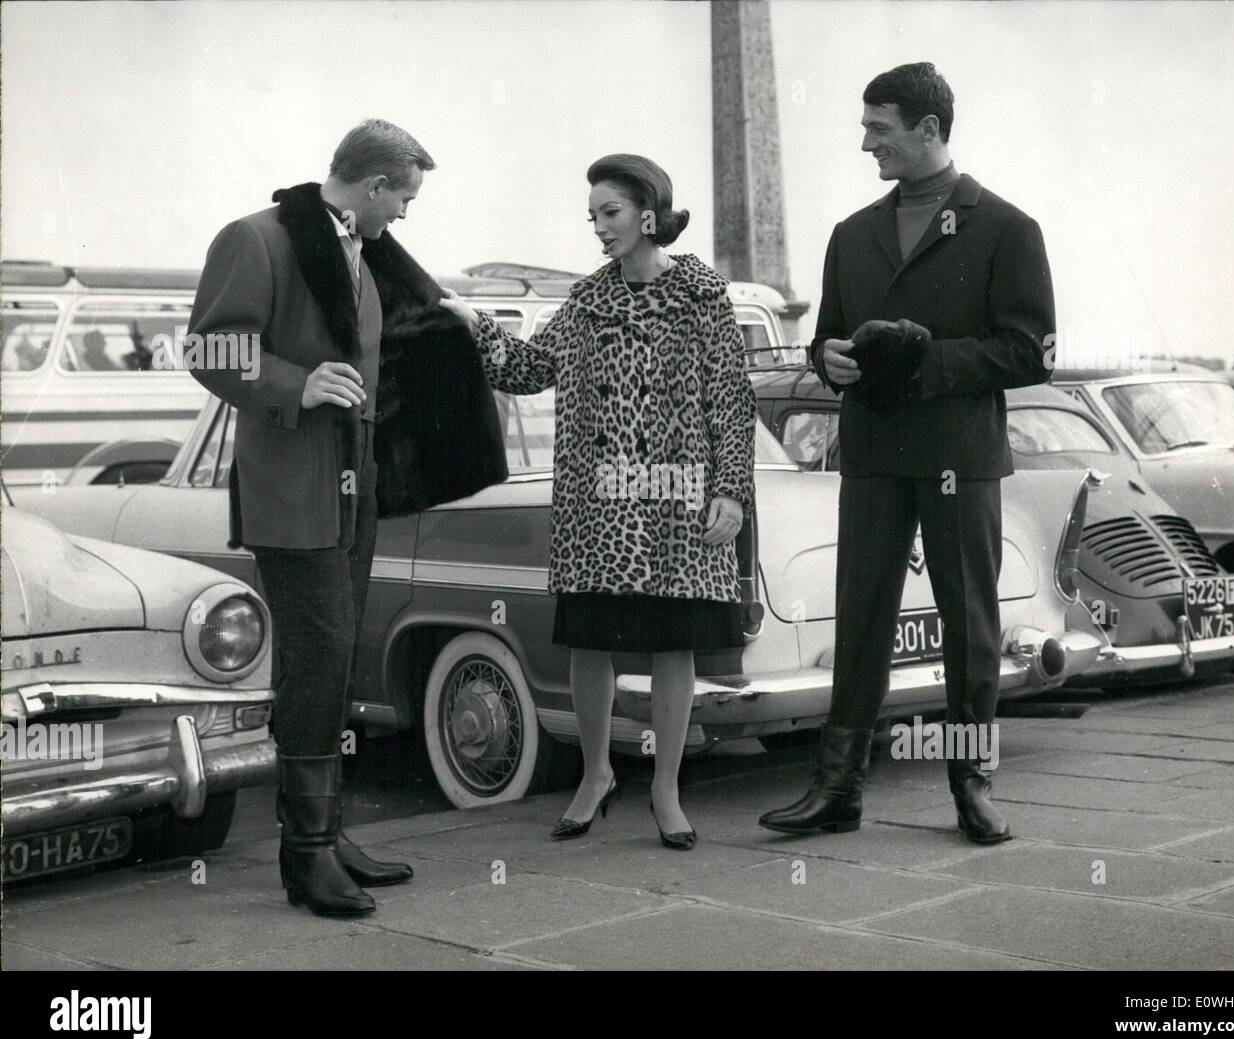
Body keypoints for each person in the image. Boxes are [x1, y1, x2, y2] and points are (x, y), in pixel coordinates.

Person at [188, 119, 508, 915]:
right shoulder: (256, 238)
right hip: (290, 490)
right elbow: (205, 349)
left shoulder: (367, 257)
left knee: (329, 659)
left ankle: (324, 836)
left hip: (353, 487)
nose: (404, 214)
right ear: (373, 187)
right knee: (321, 651)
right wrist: (295, 384)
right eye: (403, 197)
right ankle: (304, 856)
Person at [759, 63, 1055, 843]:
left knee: (970, 625)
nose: (866, 144)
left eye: (878, 129)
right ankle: (837, 789)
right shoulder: (851, 235)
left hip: (961, 454)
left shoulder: (1008, 229)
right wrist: (832, 362)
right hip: (874, 455)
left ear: (928, 129)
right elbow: (827, 336)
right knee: (860, 618)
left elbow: (1032, 354)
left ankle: (971, 786)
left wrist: (927, 360)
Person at [440, 154, 758, 850]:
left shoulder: (704, 298)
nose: (599, 228)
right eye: (593, 217)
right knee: (590, 641)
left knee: (674, 647)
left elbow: (732, 405)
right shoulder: (585, 301)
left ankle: (667, 791)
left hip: (678, 503)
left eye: (609, 213)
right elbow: (528, 371)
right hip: (598, 509)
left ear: (649, 213)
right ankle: (596, 777)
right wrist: (476, 327)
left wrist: (732, 492)